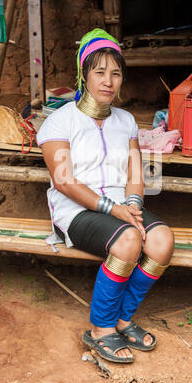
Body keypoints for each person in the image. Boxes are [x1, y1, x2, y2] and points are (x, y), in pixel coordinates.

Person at [37, 28, 174, 364]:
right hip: (75, 211)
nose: (108, 81)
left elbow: (134, 174)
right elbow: (64, 181)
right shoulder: (59, 122)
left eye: (116, 73)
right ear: (84, 74)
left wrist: (133, 207)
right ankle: (99, 329)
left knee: (162, 242)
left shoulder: (126, 121)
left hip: (121, 209)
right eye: (99, 72)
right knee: (128, 241)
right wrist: (115, 212)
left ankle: (122, 320)